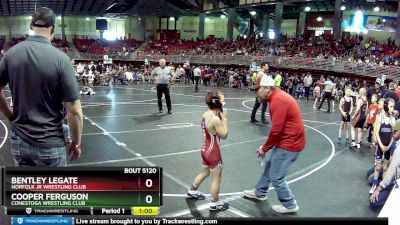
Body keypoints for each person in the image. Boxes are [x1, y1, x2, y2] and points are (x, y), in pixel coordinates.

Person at [0, 7, 83, 166]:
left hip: (19, 141)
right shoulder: (61, 59)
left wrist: (11, 116)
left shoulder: (11, 54)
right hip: (50, 144)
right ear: (54, 28)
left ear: (31, 27)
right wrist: (77, 143)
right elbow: (75, 112)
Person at [244, 75, 306, 214]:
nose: (256, 93)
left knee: (276, 176)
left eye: (257, 89)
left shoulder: (278, 100)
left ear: (266, 88)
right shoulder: (277, 97)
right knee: (270, 166)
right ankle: (260, 192)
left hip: (290, 143)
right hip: (287, 140)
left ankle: (290, 204)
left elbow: (277, 130)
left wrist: (264, 149)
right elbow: (279, 129)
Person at [187, 91, 229, 211]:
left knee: (205, 172)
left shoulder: (206, 114)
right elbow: (224, 135)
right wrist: (225, 119)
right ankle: (215, 203)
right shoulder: (215, 119)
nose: (224, 102)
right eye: (222, 100)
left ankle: (192, 191)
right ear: (217, 103)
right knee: (217, 179)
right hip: (213, 152)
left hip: (205, 149)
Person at [370, 98, 396, 194]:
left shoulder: (393, 119)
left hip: (388, 147)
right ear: (385, 106)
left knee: (385, 167)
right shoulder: (379, 117)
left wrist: (389, 146)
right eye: (391, 106)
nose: (392, 109)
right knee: (377, 167)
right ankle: (374, 185)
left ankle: (381, 187)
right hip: (380, 146)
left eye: (393, 107)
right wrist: (380, 145)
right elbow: (376, 132)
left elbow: (393, 135)